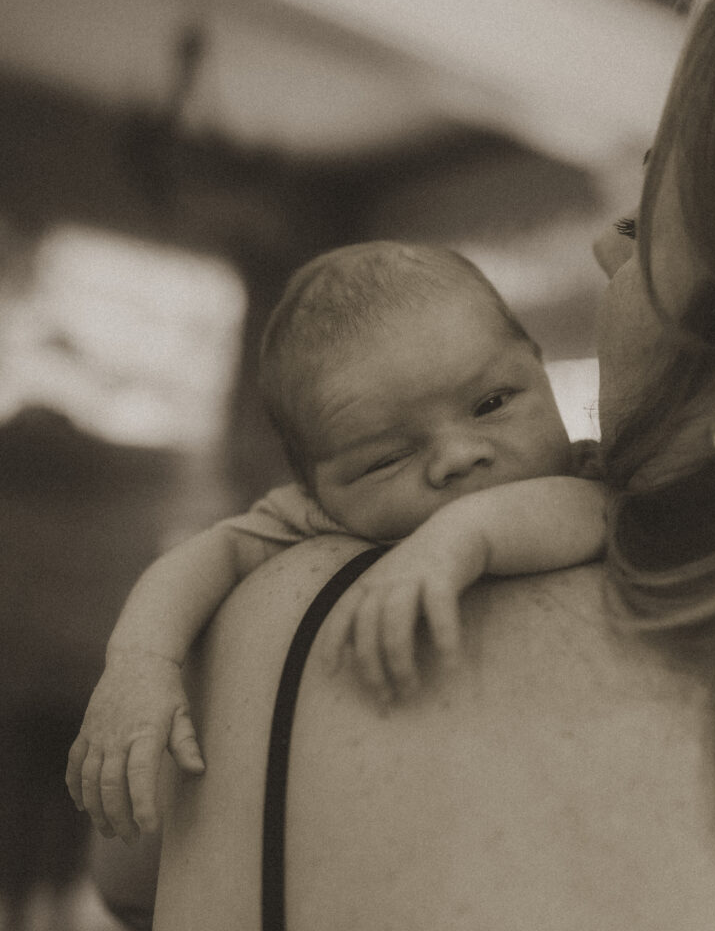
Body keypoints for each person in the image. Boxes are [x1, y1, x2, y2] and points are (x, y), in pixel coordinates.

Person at [146, 0, 715, 929]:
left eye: (645, 217)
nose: (603, 247)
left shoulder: (291, 617)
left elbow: (133, 870)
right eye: (380, 455)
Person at [66, 241, 606, 844]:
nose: (457, 456)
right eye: (388, 458)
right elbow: (208, 554)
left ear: (538, 363)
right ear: (313, 487)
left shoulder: (592, 476)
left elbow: (596, 514)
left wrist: (467, 534)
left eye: (491, 404)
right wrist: (141, 664)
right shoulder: (320, 518)